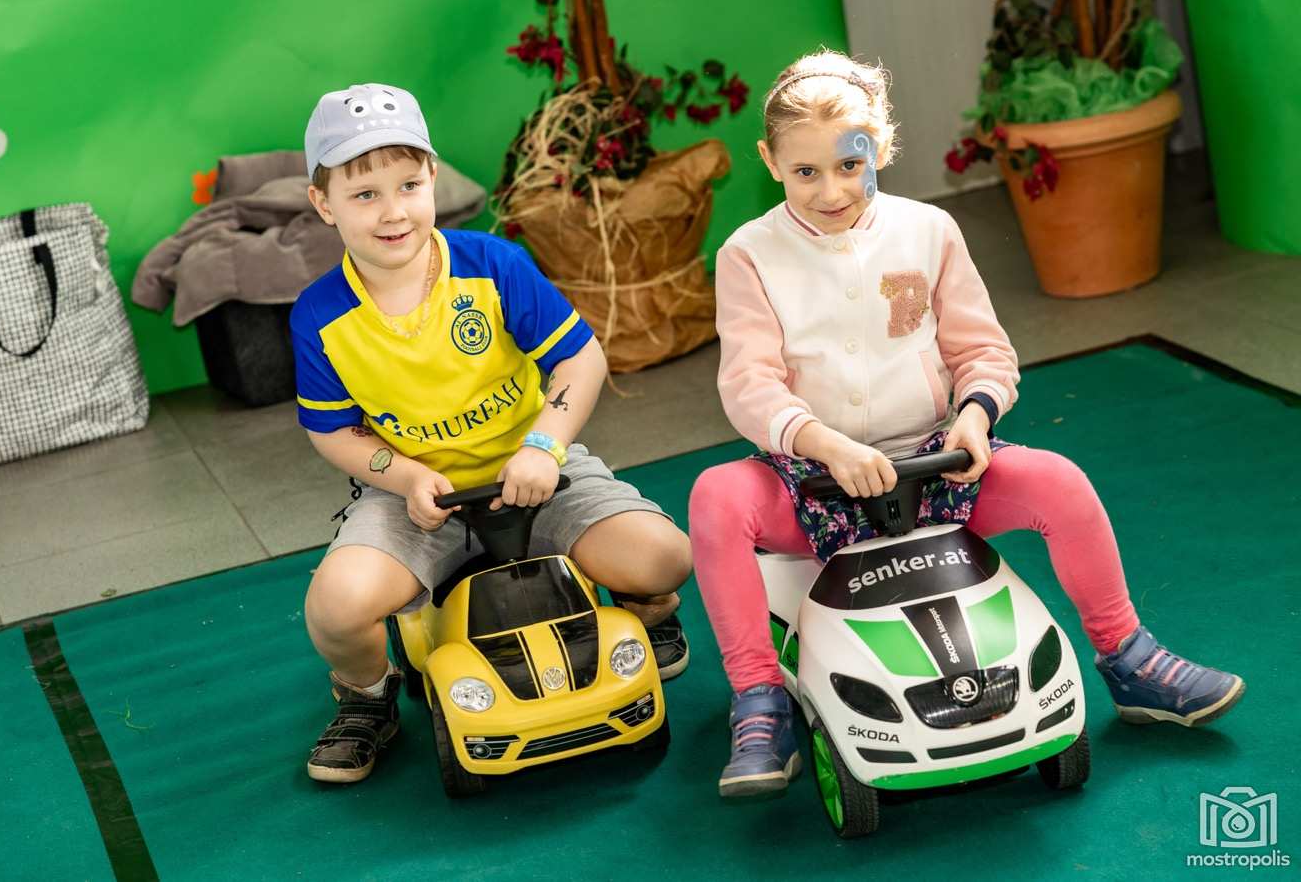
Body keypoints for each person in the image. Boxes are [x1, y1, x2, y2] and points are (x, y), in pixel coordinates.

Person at [687, 51, 1245, 799]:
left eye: (851, 165)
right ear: (770, 162)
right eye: (805, 172)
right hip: (813, 477)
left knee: (1058, 481)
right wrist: (821, 443)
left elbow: (983, 352)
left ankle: (1129, 657)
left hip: (936, 466)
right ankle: (760, 700)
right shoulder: (749, 254)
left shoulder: (929, 230)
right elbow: (748, 383)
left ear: (881, 147)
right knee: (716, 497)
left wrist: (976, 417)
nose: (832, 190)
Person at [292, 83, 692, 784]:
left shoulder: (492, 263)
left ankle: (649, 607)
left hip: (536, 471)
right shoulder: (318, 315)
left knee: (665, 556)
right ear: (324, 204)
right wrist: (406, 476)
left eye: (408, 185)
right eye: (364, 195)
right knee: (336, 606)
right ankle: (367, 695)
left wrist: (543, 446)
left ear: (433, 176)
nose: (393, 211)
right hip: (417, 496)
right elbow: (333, 433)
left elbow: (581, 359)